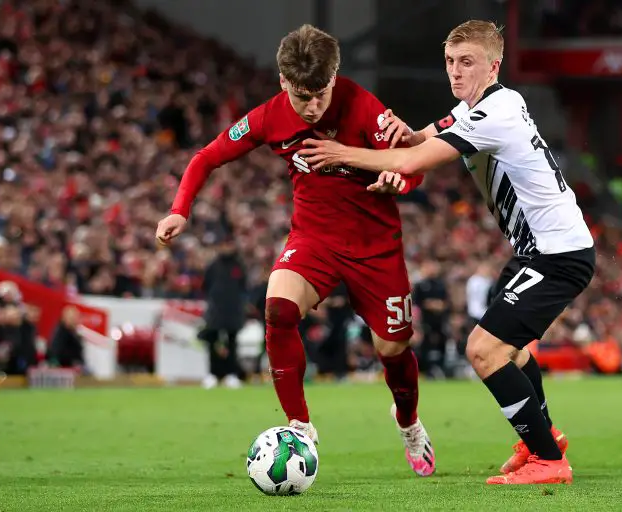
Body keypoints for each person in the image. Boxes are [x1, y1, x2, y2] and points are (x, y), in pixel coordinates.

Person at [299, 20, 596, 485]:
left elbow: (411, 161)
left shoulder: (496, 111)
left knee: (482, 350)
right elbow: (418, 142)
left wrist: (342, 153)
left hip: (558, 255)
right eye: (450, 63)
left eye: (467, 63)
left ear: (493, 66)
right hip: (537, 250)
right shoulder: (477, 108)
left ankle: (549, 461)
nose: (455, 72)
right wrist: (403, 135)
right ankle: (544, 438)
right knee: (509, 349)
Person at [155, 24, 435, 476]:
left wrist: (397, 180)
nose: (313, 106)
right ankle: (300, 427)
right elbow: (206, 156)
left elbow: (414, 164)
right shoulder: (269, 116)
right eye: (303, 96)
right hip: (314, 239)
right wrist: (179, 210)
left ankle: (408, 422)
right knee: (278, 309)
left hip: (375, 248)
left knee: (393, 349)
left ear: (335, 75)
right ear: (283, 81)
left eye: (321, 93)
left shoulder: (363, 105)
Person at [199, 234, 249, 389]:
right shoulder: (213, 266)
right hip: (216, 311)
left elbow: (243, 287)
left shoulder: (239, 265)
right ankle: (213, 374)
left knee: (232, 343)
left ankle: (232, 374)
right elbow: (206, 286)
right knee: (212, 343)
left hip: (233, 310)